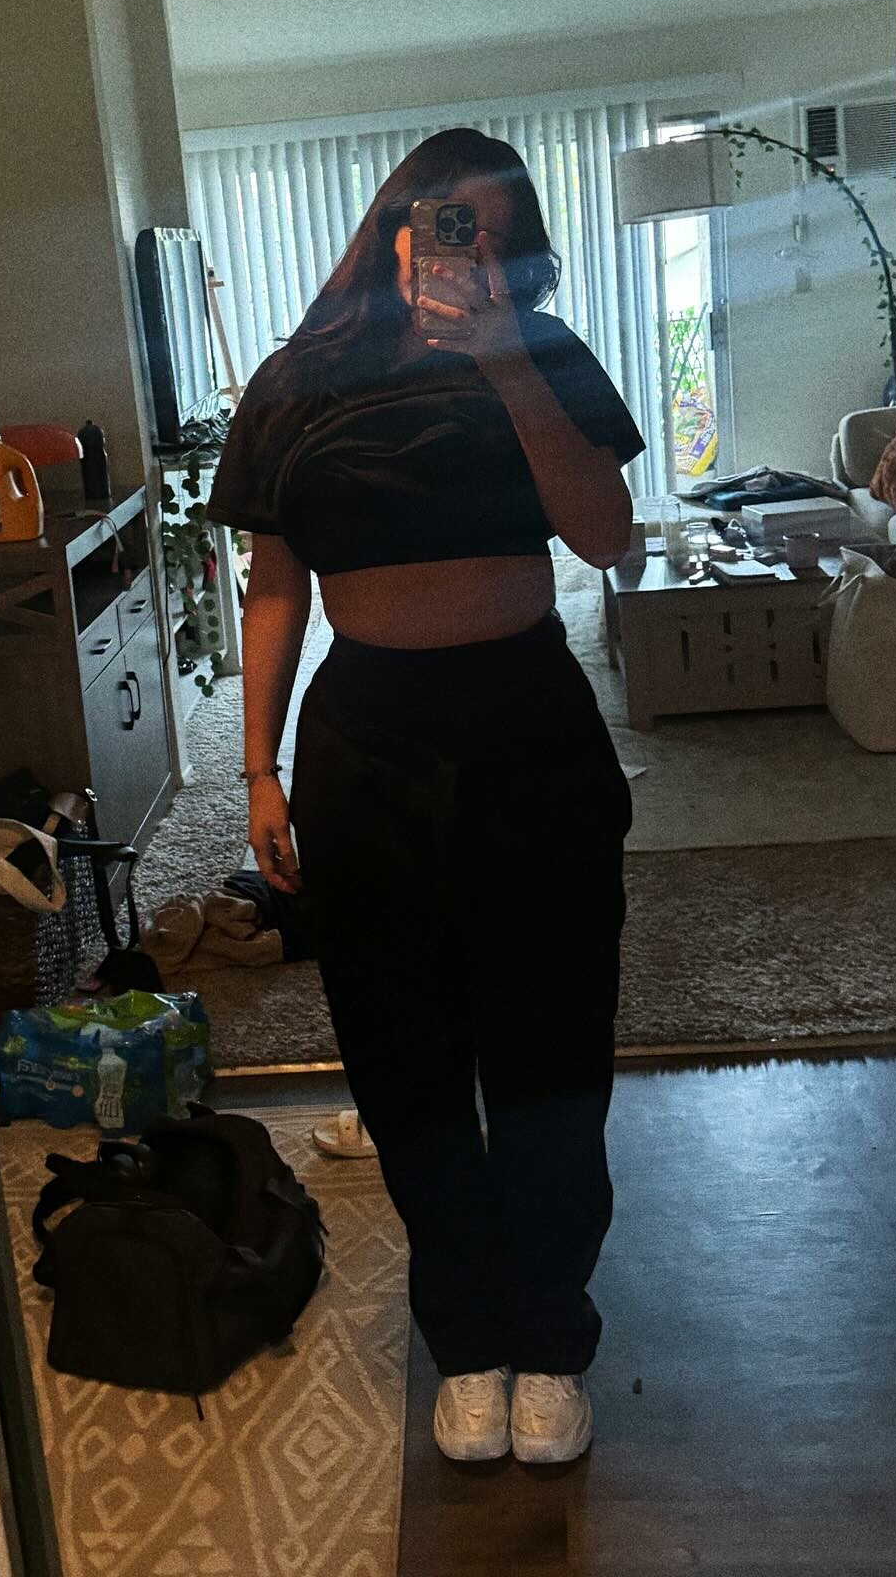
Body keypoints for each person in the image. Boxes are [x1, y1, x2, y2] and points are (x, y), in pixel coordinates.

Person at [205, 128, 644, 1464]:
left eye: (493, 231)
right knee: (404, 1058)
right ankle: (469, 1334)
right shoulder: (299, 378)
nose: (467, 247)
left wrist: (506, 360)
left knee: (551, 1050)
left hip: (532, 729)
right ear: (394, 225)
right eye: (448, 220)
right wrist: (258, 768)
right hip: (367, 743)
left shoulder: (547, 354)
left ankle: (550, 1331)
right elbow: (274, 587)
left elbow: (608, 537)